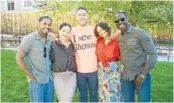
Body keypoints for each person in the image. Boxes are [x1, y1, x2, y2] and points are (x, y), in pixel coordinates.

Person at [114, 11, 157, 102]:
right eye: (117, 21)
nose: (120, 22)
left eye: (122, 19)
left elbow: (153, 54)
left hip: (140, 75)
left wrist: (142, 75)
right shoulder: (118, 37)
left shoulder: (140, 33)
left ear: (127, 19)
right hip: (125, 77)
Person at [16, 15, 54, 102]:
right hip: (37, 81)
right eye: (44, 23)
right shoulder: (29, 39)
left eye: (49, 24)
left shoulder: (50, 38)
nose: (47, 26)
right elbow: (19, 58)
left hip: (49, 80)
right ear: (38, 24)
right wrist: (31, 76)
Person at [71, 7, 98, 102]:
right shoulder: (72, 31)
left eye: (84, 14)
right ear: (76, 17)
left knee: (94, 94)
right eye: (79, 15)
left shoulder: (95, 29)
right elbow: (61, 41)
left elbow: (107, 37)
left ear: (87, 16)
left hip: (94, 69)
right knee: (82, 95)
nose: (82, 17)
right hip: (79, 71)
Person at [94, 22, 122, 102]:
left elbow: (122, 29)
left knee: (114, 92)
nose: (101, 32)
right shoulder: (98, 41)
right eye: (99, 32)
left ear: (106, 28)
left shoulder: (115, 40)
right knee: (103, 93)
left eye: (102, 29)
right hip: (101, 70)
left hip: (113, 70)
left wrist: (115, 34)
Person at [49, 23, 77, 102]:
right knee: (62, 99)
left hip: (71, 76)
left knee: (68, 99)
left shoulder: (73, 44)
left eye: (68, 32)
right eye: (63, 31)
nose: (65, 33)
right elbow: (50, 58)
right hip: (58, 76)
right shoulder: (53, 44)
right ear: (59, 31)